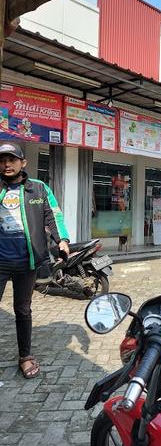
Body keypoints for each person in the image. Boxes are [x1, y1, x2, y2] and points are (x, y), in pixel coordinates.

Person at [0, 142, 69, 379]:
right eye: (2, 161)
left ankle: (25, 356)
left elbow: (54, 215)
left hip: (26, 262)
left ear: (23, 163)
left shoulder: (39, 189)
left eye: (12, 160)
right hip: (0, 260)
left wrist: (62, 240)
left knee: (22, 310)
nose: (7, 164)